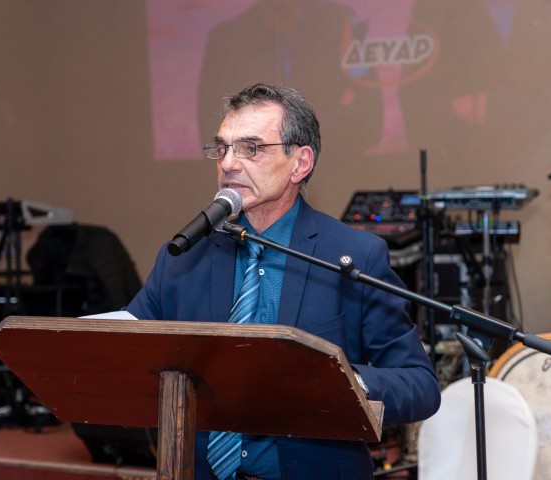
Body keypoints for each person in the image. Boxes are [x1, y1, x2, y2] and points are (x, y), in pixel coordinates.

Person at [126, 83, 440, 479]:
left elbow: (418, 385)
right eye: (222, 148)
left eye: (251, 148)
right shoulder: (185, 255)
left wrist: (342, 381)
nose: (228, 163)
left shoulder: (353, 256)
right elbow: (124, 349)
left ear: (300, 163)